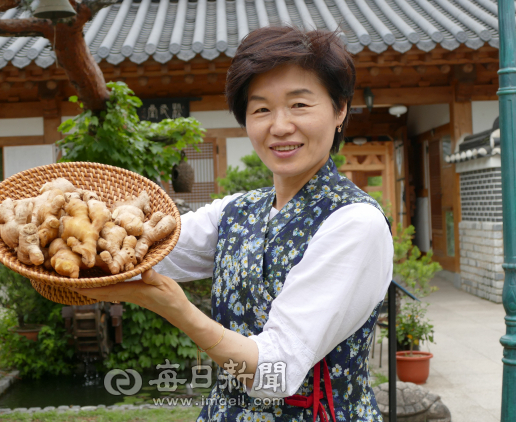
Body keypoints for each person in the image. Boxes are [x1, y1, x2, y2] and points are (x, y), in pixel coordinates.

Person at [74, 26, 393, 422]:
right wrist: (71, 229)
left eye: (299, 105)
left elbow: (274, 374)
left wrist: (180, 311)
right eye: (261, 109)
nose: (279, 126)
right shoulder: (236, 211)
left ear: (340, 109)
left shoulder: (355, 224)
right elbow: (148, 250)